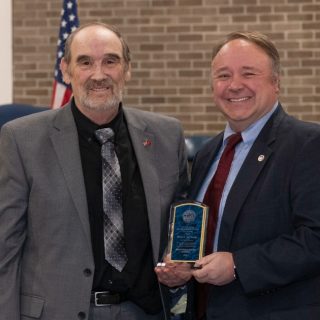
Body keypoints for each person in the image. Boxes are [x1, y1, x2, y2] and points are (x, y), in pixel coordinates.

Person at [0, 22, 188, 320]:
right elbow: (5, 246)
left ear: (127, 69)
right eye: (85, 62)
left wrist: (182, 260)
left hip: (145, 311)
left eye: (110, 61)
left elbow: (183, 215)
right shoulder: (21, 140)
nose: (98, 74)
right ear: (66, 69)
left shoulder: (166, 136)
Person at [156, 31, 320, 320]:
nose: (234, 85)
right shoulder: (208, 154)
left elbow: (315, 238)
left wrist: (239, 265)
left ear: (276, 83)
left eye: (249, 73)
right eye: (223, 75)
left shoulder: (308, 144)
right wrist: (182, 264)